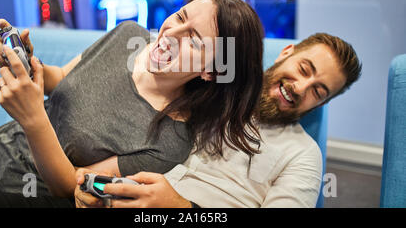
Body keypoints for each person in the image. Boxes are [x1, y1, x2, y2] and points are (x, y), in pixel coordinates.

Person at [0, 0, 265, 199]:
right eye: (181, 17)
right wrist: (27, 61)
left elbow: (72, 186)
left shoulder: (170, 142)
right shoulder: (128, 34)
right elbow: (61, 77)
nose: (171, 34)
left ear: (211, 71)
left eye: (194, 41)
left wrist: (34, 118)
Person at [74, 32, 362, 208]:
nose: (300, 87)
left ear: (322, 103)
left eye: (317, 91)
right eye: (303, 69)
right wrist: (101, 193)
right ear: (287, 53)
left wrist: (183, 209)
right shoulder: (213, 93)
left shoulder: (303, 156)